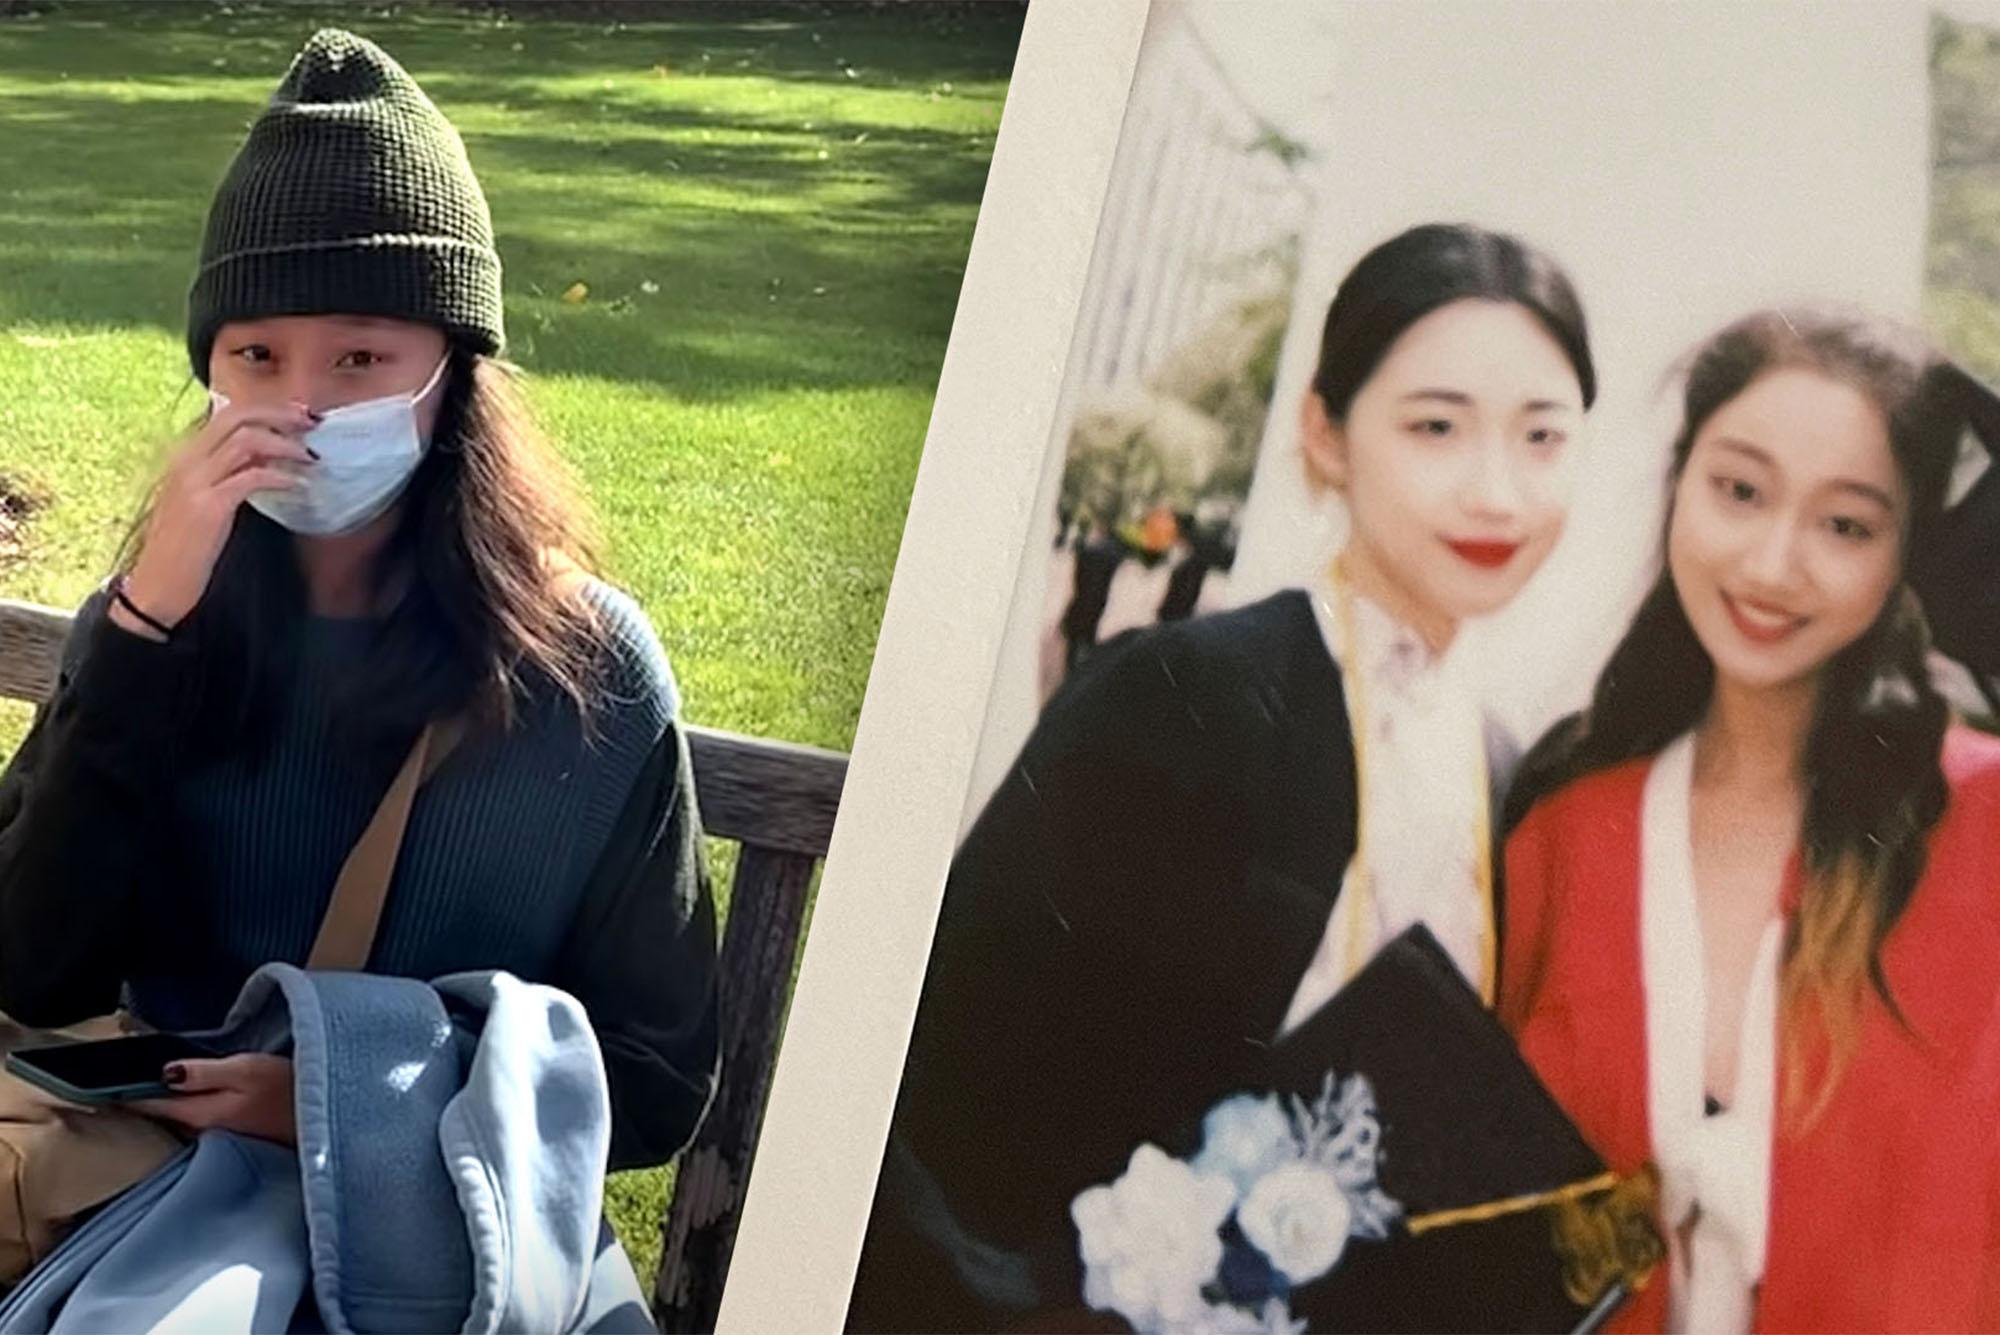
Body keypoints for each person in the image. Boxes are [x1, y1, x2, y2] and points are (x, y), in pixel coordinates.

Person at [0, 28, 717, 1210]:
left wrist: (341, 1109)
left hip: (424, 1231)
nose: (299, 407)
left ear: (454, 375)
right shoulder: (150, 630)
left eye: (361, 358)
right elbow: (33, 964)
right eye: (258, 354)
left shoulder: (585, 672)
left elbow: (656, 1075)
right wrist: (141, 628)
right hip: (138, 1199)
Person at [848, 222, 1597, 1332]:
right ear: (1325, 434)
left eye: (1541, 437)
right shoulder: (1179, 699)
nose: (1495, 491)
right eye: (1435, 426)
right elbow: (937, 1072)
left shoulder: (1504, 770)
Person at [1499, 309, 2000, 1332]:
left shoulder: (1982, 825)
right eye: (1738, 490)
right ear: (1678, 483)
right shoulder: (1561, 838)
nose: (1773, 565)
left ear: (1904, 554)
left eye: (1845, 524)